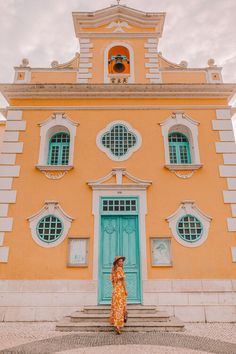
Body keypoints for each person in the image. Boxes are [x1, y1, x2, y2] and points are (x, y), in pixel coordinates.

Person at [110, 256, 128, 334]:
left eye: (122, 261)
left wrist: (115, 288)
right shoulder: (120, 269)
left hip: (115, 290)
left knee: (116, 307)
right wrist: (125, 290)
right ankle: (118, 326)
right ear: (117, 262)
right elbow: (123, 281)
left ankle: (116, 324)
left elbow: (112, 282)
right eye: (120, 261)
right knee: (120, 307)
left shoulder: (113, 270)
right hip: (120, 290)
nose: (121, 262)